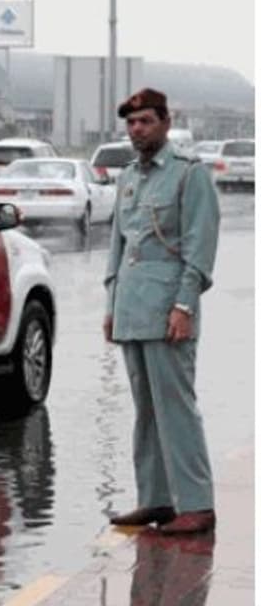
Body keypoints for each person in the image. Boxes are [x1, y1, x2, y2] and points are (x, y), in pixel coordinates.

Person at [104, 88, 220, 535]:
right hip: (133, 309)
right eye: (131, 123)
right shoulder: (129, 177)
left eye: (146, 121)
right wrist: (111, 305)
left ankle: (196, 504)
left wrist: (184, 305)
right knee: (146, 411)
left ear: (165, 123)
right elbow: (118, 245)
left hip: (169, 310)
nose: (137, 130)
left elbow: (199, 248)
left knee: (176, 408)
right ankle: (156, 500)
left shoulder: (189, 176)